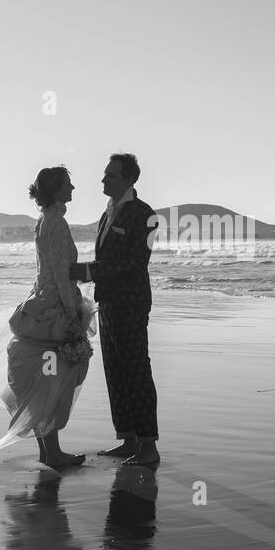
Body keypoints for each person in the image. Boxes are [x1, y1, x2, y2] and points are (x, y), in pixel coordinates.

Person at [0, 166, 95, 468]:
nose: (73, 187)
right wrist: (71, 315)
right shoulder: (56, 223)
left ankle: (48, 451)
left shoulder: (45, 221)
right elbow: (61, 275)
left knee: (44, 376)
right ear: (55, 189)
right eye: (68, 184)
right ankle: (53, 452)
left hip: (41, 301)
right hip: (53, 306)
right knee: (53, 378)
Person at [70, 153, 160, 466]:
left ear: (127, 179)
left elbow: (137, 262)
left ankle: (149, 446)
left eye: (109, 175)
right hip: (107, 300)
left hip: (132, 302)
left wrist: (89, 271)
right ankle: (128, 438)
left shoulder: (145, 214)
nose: (103, 180)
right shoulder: (107, 213)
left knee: (136, 370)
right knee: (115, 371)